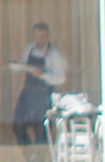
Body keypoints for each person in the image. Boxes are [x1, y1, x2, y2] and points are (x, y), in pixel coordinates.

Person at [14, 20, 66, 154]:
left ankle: (38, 161)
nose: (38, 40)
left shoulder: (54, 54)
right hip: (27, 92)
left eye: (42, 37)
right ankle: (28, 157)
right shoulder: (29, 49)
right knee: (17, 125)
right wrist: (17, 67)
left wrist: (43, 75)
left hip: (43, 95)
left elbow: (61, 78)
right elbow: (23, 65)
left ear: (47, 36)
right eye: (36, 37)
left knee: (41, 130)